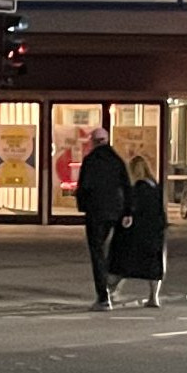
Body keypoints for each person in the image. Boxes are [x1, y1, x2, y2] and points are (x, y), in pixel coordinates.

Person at [75, 126, 132, 309]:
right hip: (115, 211)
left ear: (92, 141)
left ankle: (103, 296)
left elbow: (84, 187)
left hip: (96, 212)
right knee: (114, 249)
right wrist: (127, 211)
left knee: (97, 252)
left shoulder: (90, 161)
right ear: (107, 141)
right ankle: (112, 284)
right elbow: (126, 186)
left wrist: (83, 206)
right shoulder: (117, 161)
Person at [108, 154, 167, 307]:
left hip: (136, 234)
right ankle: (154, 298)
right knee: (153, 268)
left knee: (121, 264)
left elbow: (130, 210)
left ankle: (109, 292)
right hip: (154, 234)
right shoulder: (155, 186)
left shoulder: (137, 189)